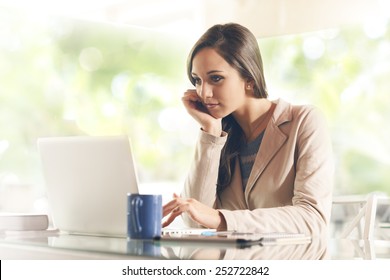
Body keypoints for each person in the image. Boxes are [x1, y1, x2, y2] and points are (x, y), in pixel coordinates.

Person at [162, 23, 334, 236]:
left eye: (216, 78)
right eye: (197, 80)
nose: (203, 92)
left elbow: (313, 219)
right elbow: (195, 222)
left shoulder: (304, 122)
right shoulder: (219, 136)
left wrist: (221, 218)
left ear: (249, 80)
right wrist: (209, 132)